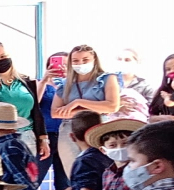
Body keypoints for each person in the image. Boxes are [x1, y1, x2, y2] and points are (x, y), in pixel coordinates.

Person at [51, 45, 121, 177]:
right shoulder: (64, 84)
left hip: (100, 127)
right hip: (69, 130)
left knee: (103, 170)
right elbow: (55, 112)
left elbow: (112, 106)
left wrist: (78, 103)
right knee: (74, 173)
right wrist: (96, 108)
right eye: (75, 61)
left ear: (94, 58)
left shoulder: (107, 78)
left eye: (85, 59)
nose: (80, 63)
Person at [0, 42, 49, 159]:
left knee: (25, 175)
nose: (0, 61)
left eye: (3, 57)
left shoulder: (26, 82)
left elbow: (36, 111)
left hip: (27, 137)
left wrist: (43, 139)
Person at [36, 52, 71, 190]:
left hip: (67, 137)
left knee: (64, 183)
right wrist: (45, 80)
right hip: (45, 137)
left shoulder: (74, 86)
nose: (61, 67)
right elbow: (35, 103)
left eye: (67, 64)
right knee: (35, 179)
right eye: (57, 63)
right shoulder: (42, 82)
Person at [148, 53, 174, 120]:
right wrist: (160, 118)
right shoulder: (160, 92)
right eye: (168, 69)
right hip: (164, 128)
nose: (172, 71)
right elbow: (150, 118)